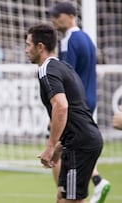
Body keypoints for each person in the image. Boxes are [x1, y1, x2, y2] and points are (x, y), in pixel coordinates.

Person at [25, 24, 104, 203]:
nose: (26, 50)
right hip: (78, 142)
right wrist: (59, 147)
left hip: (80, 143)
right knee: (63, 198)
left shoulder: (47, 69)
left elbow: (62, 107)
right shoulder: (65, 67)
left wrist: (51, 146)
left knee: (70, 200)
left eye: (28, 45)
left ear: (40, 47)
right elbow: (76, 111)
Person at [49, 2, 110, 203]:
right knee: (75, 146)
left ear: (70, 16)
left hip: (75, 104)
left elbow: (66, 75)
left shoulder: (69, 41)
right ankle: (95, 181)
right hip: (88, 100)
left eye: (57, 16)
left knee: (59, 146)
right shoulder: (87, 39)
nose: (53, 20)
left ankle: (66, 195)